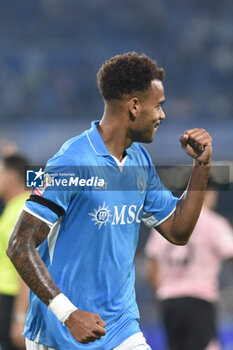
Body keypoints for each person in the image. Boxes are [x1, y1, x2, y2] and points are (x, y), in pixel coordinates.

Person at [7, 52, 212, 350]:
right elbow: (19, 244)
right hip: (60, 333)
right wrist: (69, 313)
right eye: (159, 106)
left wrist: (202, 167)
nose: (162, 116)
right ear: (134, 106)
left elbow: (178, 231)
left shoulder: (140, 161)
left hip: (121, 329)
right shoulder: (69, 162)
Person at [145, 183, 233, 350]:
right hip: (200, 299)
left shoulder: (166, 222)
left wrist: (163, 292)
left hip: (169, 302)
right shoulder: (214, 223)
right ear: (208, 194)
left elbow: (152, 269)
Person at [0, 155, 29, 350]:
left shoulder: (21, 209)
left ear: (11, 176)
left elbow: (27, 265)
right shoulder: (13, 206)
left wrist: (20, 316)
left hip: (12, 300)